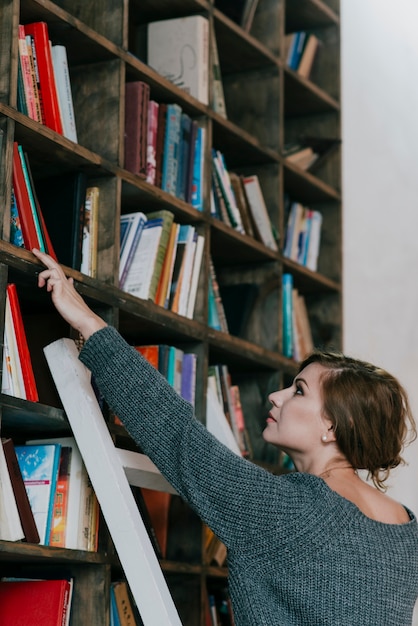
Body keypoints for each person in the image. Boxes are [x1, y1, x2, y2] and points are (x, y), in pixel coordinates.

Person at [32, 247, 418, 626]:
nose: (276, 396)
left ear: (333, 426)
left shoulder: (292, 512)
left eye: (299, 390)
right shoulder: (407, 529)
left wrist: (88, 322)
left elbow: (178, 435)